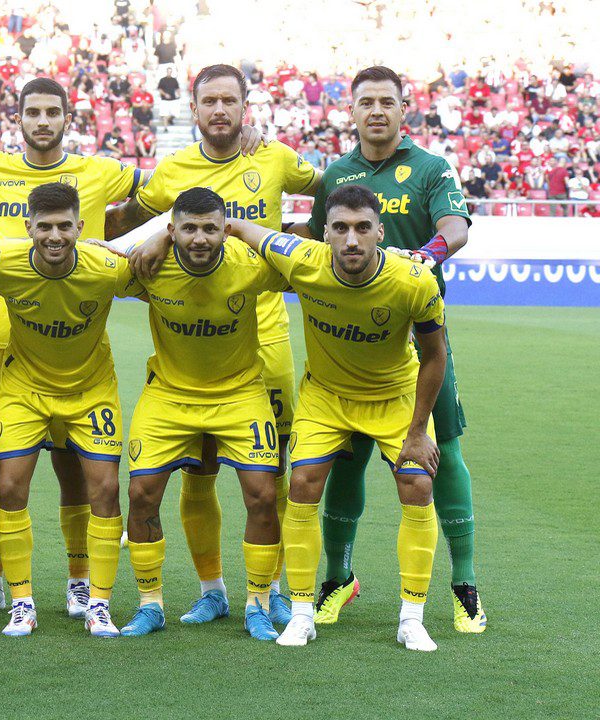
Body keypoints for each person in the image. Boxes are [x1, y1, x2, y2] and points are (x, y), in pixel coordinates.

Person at [107, 64, 322, 627]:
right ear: (194, 110)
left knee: (269, 475)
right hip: (195, 337)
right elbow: (129, 220)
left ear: (246, 106)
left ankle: (271, 588)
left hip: (263, 331)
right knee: (197, 470)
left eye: (230, 100)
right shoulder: (173, 169)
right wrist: (159, 236)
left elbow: (331, 190)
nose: (220, 110)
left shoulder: (274, 157)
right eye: (210, 101)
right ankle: (212, 590)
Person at [297, 66, 484, 634]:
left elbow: (456, 228)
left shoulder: (430, 168)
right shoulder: (337, 174)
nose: (376, 111)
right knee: (344, 460)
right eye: (366, 102)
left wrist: (424, 255)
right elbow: (315, 240)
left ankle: (464, 583)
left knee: (439, 453)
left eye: (386, 101)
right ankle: (338, 578)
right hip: (348, 342)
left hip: (419, 337)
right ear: (351, 111)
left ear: (405, 109)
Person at [0, 77, 146, 616]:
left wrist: (127, 236)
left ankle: (79, 580)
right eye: (32, 112)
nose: (42, 121)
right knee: (0, 475)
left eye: (52, 112)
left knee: (75, 471)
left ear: (67, 117)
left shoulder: (100, 171)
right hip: (4, 346)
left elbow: (168, 189)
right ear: (17, 117)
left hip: (74, 347)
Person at [228, 184, 447, 652]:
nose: (351, 239)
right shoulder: (301, 258)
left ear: (380, 232)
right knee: (302, 482)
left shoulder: (414, 281)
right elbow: (238, 226)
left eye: (363, 228)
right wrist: (160, 238)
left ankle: (411, 619)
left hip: (393, 397)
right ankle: (302, 614)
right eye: (341, 228)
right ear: (324, 233)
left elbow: (434, 355)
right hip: (326, 396)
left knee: (417, 484)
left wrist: (417, 432)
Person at [117, 187, 288, 641]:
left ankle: (259, 602)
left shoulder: (250, 265)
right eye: (188, 228)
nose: (199, 239)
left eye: (210, 229)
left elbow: (312, 264)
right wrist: (141, 242)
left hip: (240, 393)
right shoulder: (150, 265)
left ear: (225, 230)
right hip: (169, 395)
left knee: (263, 495)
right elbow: (91, 263)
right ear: (171, 230)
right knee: (141, 494)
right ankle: (151, 604)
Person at [0, 183, 132, 638]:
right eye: (44, 226)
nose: (54, 236)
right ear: (27, 227)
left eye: (65, 226)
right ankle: (21, 602)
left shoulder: (107, 267)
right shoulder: (1, 262)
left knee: (105, 489)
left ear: (80, 227)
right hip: (24, 389)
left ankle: (96, 601)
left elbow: (161, 276)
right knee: (9, 486)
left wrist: (152, 243)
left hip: (91, 390)